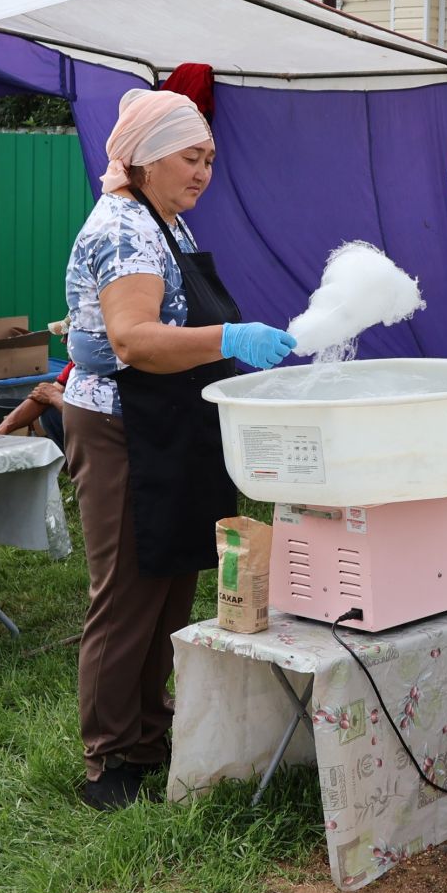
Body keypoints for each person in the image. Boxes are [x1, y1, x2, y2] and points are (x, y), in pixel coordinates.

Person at [60, 88, 297, 811]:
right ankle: (108, 761)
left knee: (167, 582)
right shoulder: (126, 230)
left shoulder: (166, 225)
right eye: (191, 158)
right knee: (129, 593)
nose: (203, 172)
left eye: (209, 160)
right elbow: (131, 340)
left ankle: (149, 733)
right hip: (122, 424)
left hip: (168, 418)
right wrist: (230, 340)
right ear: (145, 158)